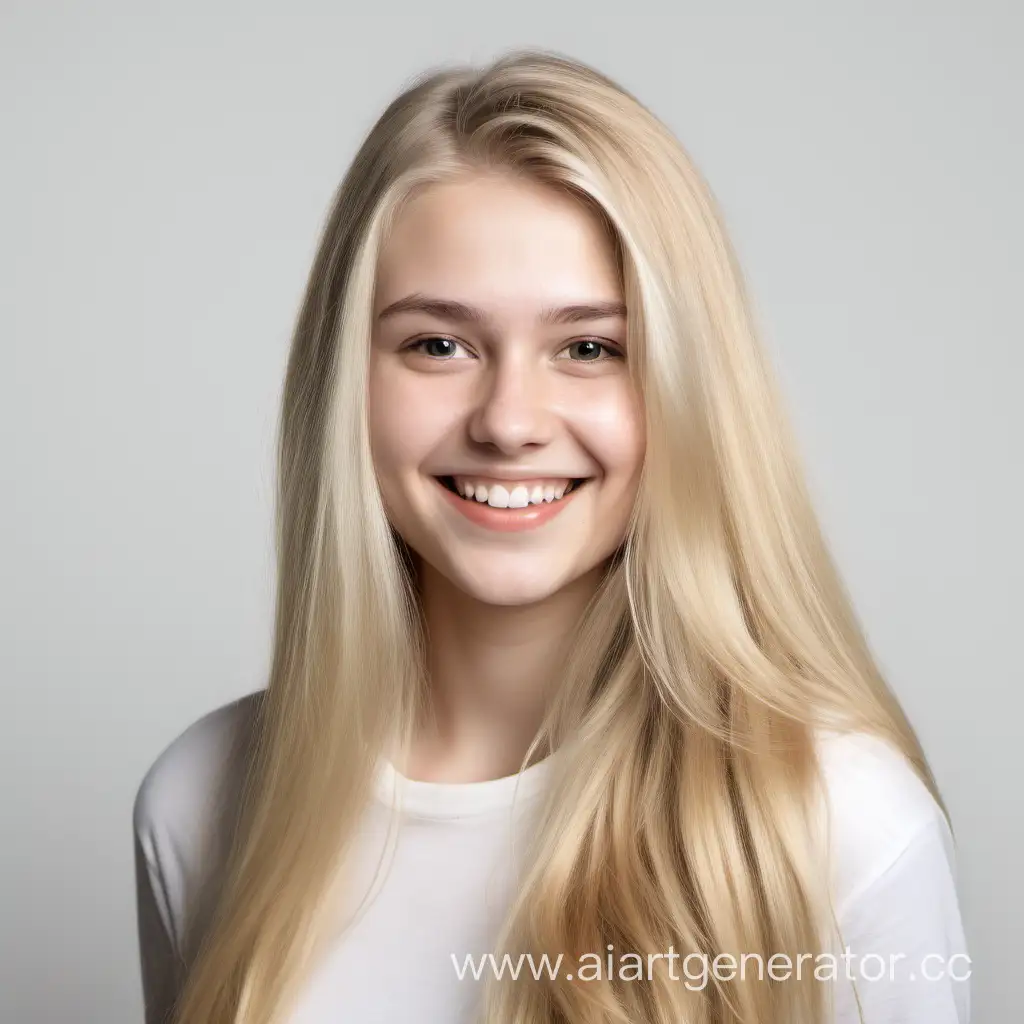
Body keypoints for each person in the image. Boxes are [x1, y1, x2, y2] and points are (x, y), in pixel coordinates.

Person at [132, 48, 970, 1024]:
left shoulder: (842, 827)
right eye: (437, 344)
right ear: (345, 381)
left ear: (686, 389)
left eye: (588, 348)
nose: (509, 419)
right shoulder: (200, 800)